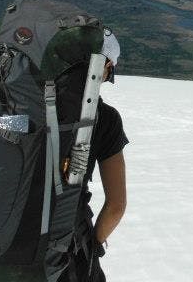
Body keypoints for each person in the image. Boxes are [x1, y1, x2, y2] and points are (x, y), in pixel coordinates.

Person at [69, 27, 129, 282]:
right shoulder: (105, 119)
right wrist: (92, 245)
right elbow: (116, 206)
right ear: (103, 68)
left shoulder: (16, 102)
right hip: (63, 251)